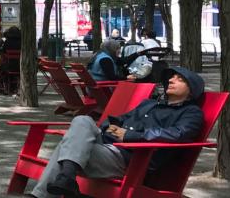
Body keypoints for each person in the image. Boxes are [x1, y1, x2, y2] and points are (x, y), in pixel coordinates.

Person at [29, 67, 206, 198]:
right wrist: (112, 128)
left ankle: (47, 190)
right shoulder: (149, 104)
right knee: (82, 120)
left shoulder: (191, 113)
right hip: (107, 143)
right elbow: (117, 119)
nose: (172, 80)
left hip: (130, 158)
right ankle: (67, 177)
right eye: (171, 78)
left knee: (67, 146)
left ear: (191, 91)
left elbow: (177, 135)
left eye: (179, 79)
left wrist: (129, 136)